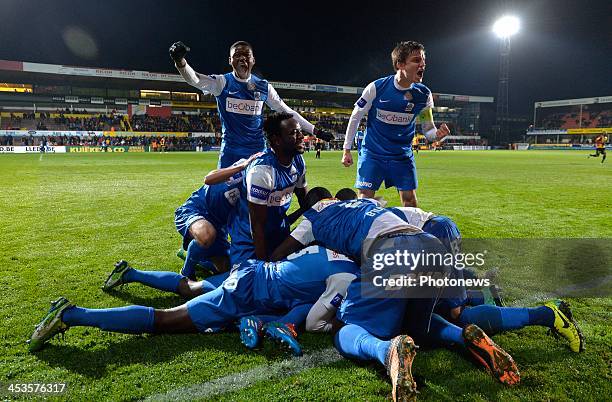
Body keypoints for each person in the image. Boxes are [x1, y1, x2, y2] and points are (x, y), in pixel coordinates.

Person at [28, 246, 359, 357]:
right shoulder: (349, 274)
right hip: (245, 290)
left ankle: (257, 322)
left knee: (191, 289)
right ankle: (71, 314)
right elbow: (318, 322)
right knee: (167, 319)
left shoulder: (330, 249)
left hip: (252, 278)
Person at [169, 41, 333, 168]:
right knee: (222, 198)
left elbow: (288, 112)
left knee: (257, 200)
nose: (242, 58)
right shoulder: (222, 82)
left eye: (246, 55)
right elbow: (195, 79)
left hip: (257, 151)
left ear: (253, 60)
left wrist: (316, 131)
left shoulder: (264, 86)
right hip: (230, 152)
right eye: (237, 55)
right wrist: (180, 61)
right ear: (230, 60)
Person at [341, 41, 450, 207]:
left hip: (402, 156)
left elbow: (428, 129)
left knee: (410, 201)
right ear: (400, 64)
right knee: (364, 199)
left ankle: (410, 233)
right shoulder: (377, 88)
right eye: (416, 60)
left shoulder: (423, 94)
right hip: (373, 153)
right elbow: (356, 116)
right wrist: (346, 150)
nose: (422, 65)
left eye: (423, 61)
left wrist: (437, 136)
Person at [228, 113, 311, 265]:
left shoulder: (298, 161)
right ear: (276, 140)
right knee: (247, 284)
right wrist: (263, 266)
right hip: (250, 239)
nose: (301, 136)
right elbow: (257, 225)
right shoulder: (262, 171)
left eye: (300, 131)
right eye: (293, 133)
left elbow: (306, 203)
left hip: (279, 233)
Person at [174, 152, 262, 280]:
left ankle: (197, 258)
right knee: (206, 235)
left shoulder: (265, 186)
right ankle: (186, 273)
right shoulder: (250, 165)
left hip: (220, 227)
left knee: (227, 270)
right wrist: (242, 166)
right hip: (197, 209)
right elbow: (209, 179)